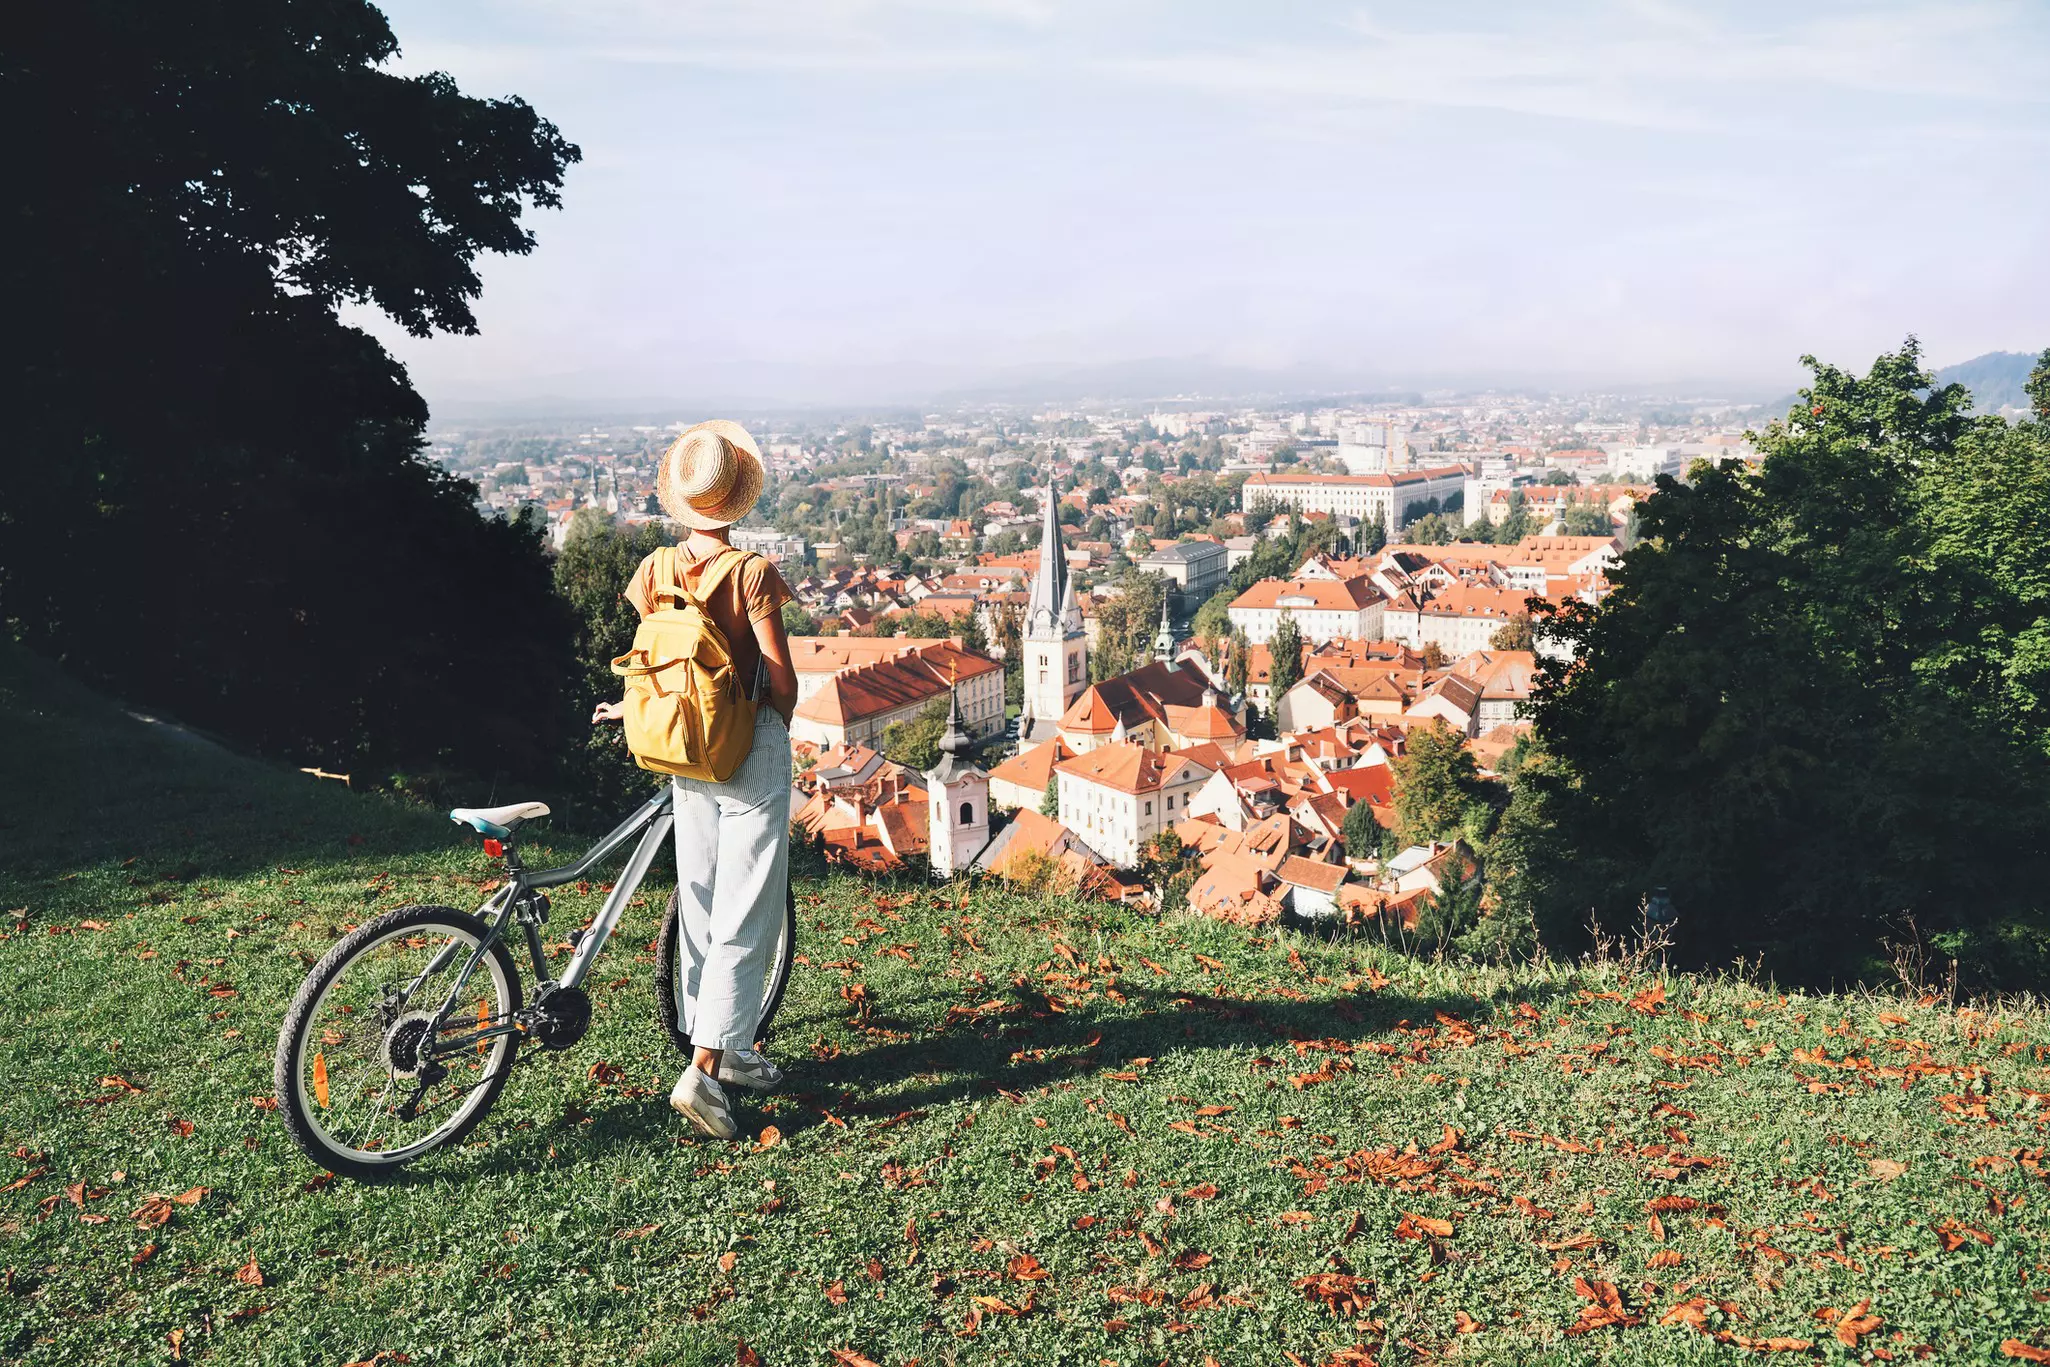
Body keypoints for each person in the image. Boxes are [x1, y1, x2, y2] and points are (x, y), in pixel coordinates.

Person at [590, 420, 797, 1139]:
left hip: (681, 749)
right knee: (749, 907)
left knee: (702, 897)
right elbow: (783, 684)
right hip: (746, 748)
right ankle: (706, 1069)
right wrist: (766, 706)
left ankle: (725, 1046)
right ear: (737, 500)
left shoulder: (653, 570)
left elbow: (659, 659)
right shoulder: (751, 574)